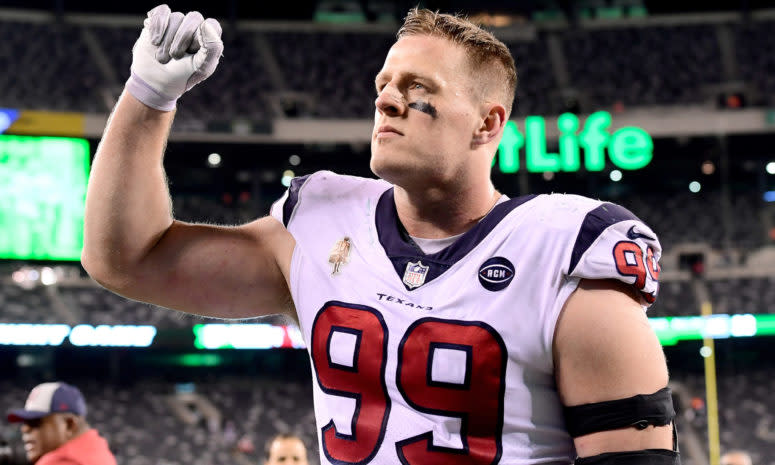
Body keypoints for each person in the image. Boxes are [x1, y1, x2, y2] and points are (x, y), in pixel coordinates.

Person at [82, 4, 679, 464]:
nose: (389, 101)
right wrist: (148, 97)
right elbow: (126, 259)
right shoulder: (320, 222)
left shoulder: (565, 251)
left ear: (487, 123)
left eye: (418, 91)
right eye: (384, 86)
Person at [6, 382, 117, 465]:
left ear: (69, 425)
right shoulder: (98, 449)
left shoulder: (61, 461)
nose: (25, 429)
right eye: (25, 423)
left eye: (35, 422)